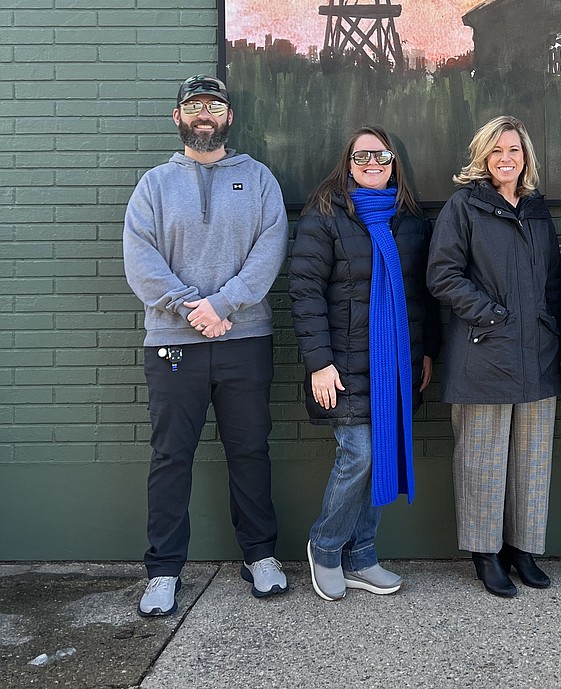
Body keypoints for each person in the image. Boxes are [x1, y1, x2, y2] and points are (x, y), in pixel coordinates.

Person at [123, 76, 289, 617]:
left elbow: (271, 248)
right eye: (193, 107)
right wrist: (190, 305)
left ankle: (260, 556)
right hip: (173, 343)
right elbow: (140, 258)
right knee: (172, 457)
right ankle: (163, 570)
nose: (204, 115)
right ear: (178, 117)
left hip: (245, 340)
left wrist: (225, 305)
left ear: (228, 117)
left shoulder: (258, 179)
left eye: (213, 106)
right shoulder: (153, 185)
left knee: (250, 452)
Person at [288, 126, 439, 602]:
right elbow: (305, 292)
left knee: (383, 459)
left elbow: (423, 294)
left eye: (383, 155)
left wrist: (427, 349)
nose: (373, 163)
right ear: (347, 164)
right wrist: (319, 362)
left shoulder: (410, 219)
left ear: (396, 162)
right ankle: (326, 546)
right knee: (360, 455)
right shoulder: (325, 216)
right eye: (362, 156)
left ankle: (362, 554)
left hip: (395, 363)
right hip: (343, 365)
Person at [427, 116, 561, 598]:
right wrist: (492, 315)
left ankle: (522, 550)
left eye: (515, 150)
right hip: (484, 352)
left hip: (537, 353)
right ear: (482, 156)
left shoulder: (536, 209)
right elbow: (442, 275)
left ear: (525, 156)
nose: (507, 159)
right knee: (482, 460)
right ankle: (486, 554)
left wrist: (550, 325)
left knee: (532, 459)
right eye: (497, 150)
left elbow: (551, 281)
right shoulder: (465, 207)